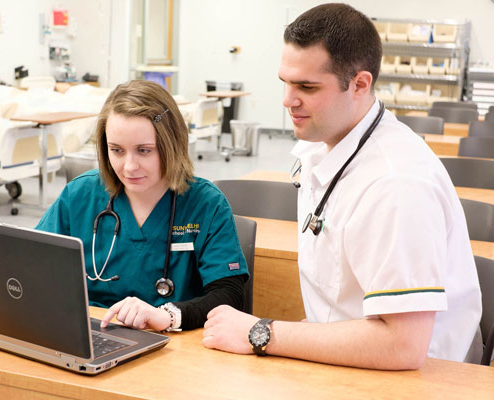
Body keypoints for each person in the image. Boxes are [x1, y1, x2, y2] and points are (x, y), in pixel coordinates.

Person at [202, 3, 482, 369]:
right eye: (285, 82)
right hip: (348, 357)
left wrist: (263, 332)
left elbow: (402, 346)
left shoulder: (396, 183)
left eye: (307, 86)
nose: (288, 100)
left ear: (360, 84)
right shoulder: (322, 139)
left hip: (417, 378)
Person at [36, 79, 248, 333]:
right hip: (88, 335)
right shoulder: (80, 195)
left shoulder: (205, 203)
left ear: (172, 145)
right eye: (117, 150)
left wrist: (169, 316)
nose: (129, 166)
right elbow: (32, 264)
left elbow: (230, 295)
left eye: (144, 151)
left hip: (174, 346)